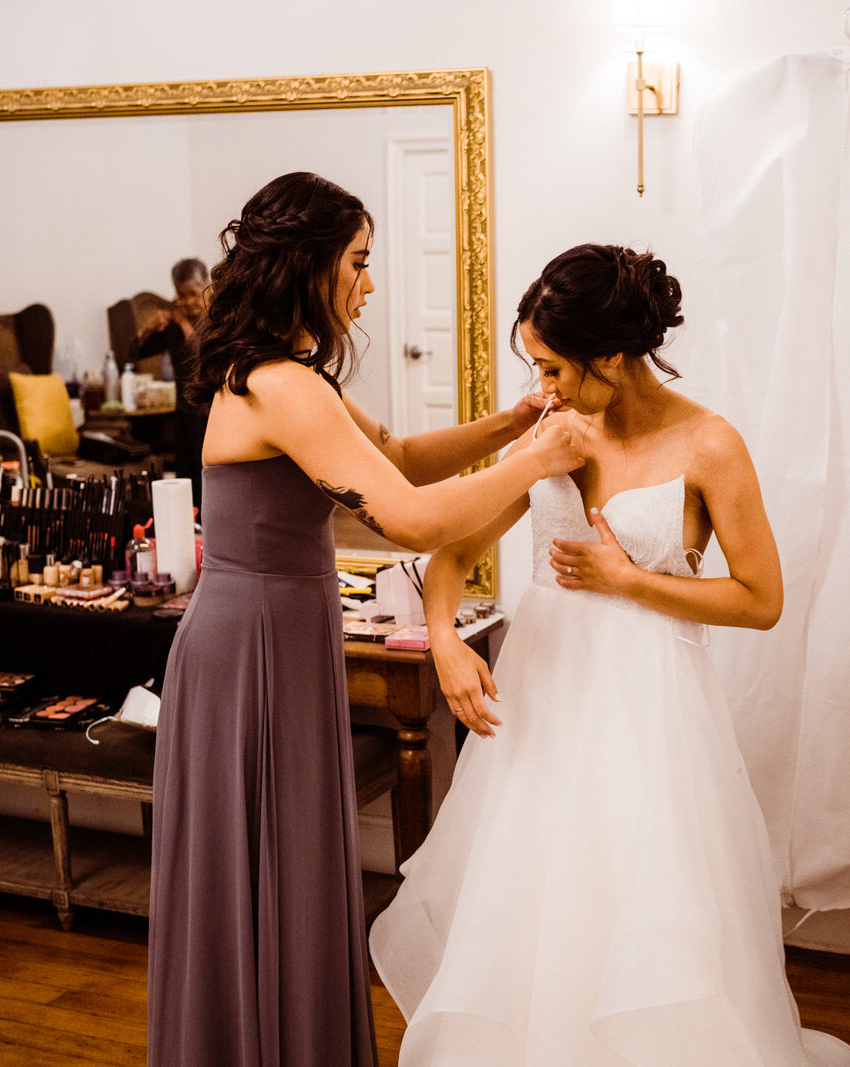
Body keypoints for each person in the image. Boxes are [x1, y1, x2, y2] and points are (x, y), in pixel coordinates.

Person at [368, 244, 850, 1067]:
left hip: (649, 706)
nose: (543, 388)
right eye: (535, 367)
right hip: (542, 695)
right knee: (532, 893)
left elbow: (761, 598)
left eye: (555, 367)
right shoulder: (551, 430)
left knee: (639, 894)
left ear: (610, 354)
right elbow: (453, 550)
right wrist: (448, 641)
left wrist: (630, 580)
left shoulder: (710, 443)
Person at [146, 172, 583, 1067]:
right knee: (268, 865)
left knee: (293, 866)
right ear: (307, 265)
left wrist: (512, 422)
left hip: (280, 630)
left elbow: (402, 460)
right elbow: (412, 519)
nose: (369, 285)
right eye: (358, 262)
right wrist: (542, 457)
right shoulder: (277, 385)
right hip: (251, 644)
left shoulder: (292, 377)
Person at [132, 258, 211, 503]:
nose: (187, 302)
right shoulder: (173, 325)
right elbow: (135, 353)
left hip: (210, 409)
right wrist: (149, 327)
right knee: (185, 474)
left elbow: (202, 354)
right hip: (184, 410)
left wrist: (185, 324)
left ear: (206, 286)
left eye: (192, 294)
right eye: (181, 295)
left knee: (206, 473)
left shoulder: (220, 316)